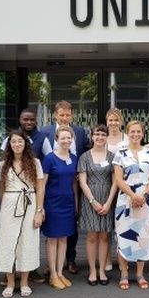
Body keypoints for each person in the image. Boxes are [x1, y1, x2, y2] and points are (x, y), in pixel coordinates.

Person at [40, 100, 89, 275]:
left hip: (72, 186)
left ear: (72, 115)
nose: (64, 118)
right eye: (61, 114)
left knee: (71, 228)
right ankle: (51, 267)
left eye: (68, 115)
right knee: (52, 233)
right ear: (55, 115)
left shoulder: (80, 132)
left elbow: (86, 154)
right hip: (52, 188)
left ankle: (70, 259)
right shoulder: (45, 132)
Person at [0, 129, 45, 298]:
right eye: (14, 141)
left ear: (25, 144)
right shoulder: (3, 164)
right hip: (9, 205)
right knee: (8, 243)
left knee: (27, 241)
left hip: (29, 204)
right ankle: (10, 282)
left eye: (20, 141)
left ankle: (24, 282)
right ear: (9, 144)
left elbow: (40, 188)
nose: (17, 144)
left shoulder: (35, 163)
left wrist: (39, 211)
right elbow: (1, 188)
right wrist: (4, 207)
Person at [113, 120, 149, 290]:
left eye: (138, 131)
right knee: (123, 236)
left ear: (143, 133)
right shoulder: (120, 154)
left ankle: (140, 274)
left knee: (142, 237)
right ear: (128, 133)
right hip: (125, 200)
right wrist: (133, 195)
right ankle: (124, 273)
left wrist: (143, 196)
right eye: (132, 131)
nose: (136, 134)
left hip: (145, 200)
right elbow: (118, 179)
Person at [78, 124, 118, 286]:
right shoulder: (84, 157)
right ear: (92, 136)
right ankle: (92, 271)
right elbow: (82, 182)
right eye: (97, 134)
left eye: (103, 134)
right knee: (92, 236)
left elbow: (116, 182)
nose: (100, 137)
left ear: (107, 137)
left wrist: (108, 203)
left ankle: (102, 270)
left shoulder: (112, 157)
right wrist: (93, 202)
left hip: (108, 198)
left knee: (105, 236)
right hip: (90, 199)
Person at [41, 125, 78, 290]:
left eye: (69, 138)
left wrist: (76, 204)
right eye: (63, 138)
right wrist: (41, 207)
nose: (66, 140)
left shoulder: (74, 158)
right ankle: (53, 274)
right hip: (52, 203)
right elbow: (42, 184)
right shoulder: (49, 158)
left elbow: (74, 183)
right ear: (56, 139)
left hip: (68, 203)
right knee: (52, 239)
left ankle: (60, 272)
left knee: (64, 239)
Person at [103, 107, 127, 272]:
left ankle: (123, 257)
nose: (113, 123)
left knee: (123, 223)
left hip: (125, 185)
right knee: (107, 225)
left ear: (121, 121)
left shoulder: (127, 138)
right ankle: (106, 258)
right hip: (106, 184)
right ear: (107, 122)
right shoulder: (102, 139)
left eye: (116, 120)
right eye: (110, 120)